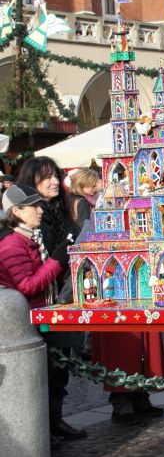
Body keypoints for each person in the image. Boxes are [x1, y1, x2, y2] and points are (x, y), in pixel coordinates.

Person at [16, 157, 87, 442]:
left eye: (56, 176)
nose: (55, 182)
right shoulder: (31, 219)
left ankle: (55, 420)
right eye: (46, 177)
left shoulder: (60, 211)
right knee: (45, 367)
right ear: (31, 182)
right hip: (42, 301)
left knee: (61, 365)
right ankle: (43, 427)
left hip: (64, 297)